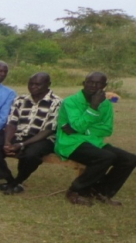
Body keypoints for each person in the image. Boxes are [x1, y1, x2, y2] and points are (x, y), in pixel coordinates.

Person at [56, 72, 136, 206]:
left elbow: (107, 129)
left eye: (98, 83)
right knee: (105, 157)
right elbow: (76, 125)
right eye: (90, 82)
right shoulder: (71, 101)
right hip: (70, 142)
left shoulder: (106, 104)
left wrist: (84, 130)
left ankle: (101, 192)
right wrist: (93, 108)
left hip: (94, 142)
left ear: (104, 86)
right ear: (84, 83)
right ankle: (75, 191)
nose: (93, 85)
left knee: (129, 159)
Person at [0, 73, 62, 194]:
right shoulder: (20, 100)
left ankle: (17, 182)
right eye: (31, 84)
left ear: (48, 85)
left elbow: (49, 130)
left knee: (31, 155)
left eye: (38, 84)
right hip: (19, 135)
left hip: (42, 138)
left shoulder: (57, 103)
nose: (33, 87)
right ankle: (8, 179)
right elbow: (11, 123)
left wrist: (21, 144)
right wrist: (7, 141)